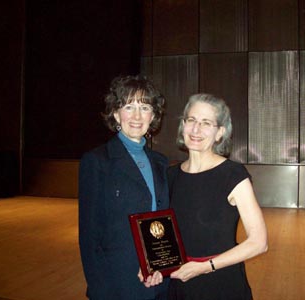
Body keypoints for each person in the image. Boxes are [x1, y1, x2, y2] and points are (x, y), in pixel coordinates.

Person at [167, 93, 268, 300]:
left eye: (206, 123)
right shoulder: (170, 176)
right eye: (191, 120)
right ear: (183, 125)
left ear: (220, 133)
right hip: (178, 283)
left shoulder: (233, 175)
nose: (196, 129)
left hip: (221, 283)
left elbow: (259, 242)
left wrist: (205, 267)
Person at [78, 75, 169, 300]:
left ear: (153, 115)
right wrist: (100, 290)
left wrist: (160, 267)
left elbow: (159, 222)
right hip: (116, 284)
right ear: (116, 114)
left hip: (158, 282)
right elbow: (89, 236)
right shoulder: (97, 162)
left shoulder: (161, 162)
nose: (137, 116)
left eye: (145, 107)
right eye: (128, 106)